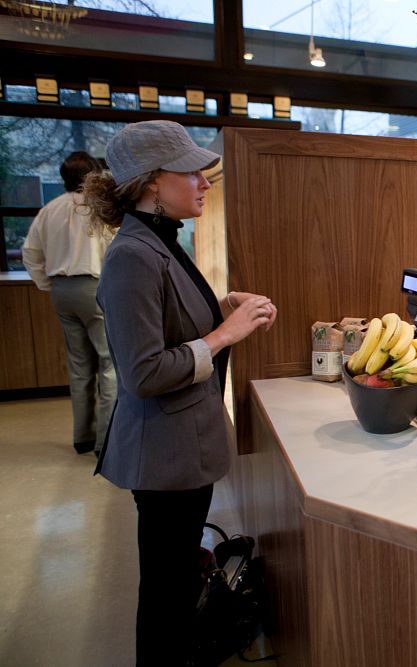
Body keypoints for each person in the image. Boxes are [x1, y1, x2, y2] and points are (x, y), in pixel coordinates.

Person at [83, 120, 277, 666]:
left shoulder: (160, 239)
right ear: (152, 181)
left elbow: (171, 325)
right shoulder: (132, 255)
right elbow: (144, 372)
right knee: (165, 593)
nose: (205, 182)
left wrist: (223, 307)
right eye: (192, 172)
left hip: (180, 449)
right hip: (164, 456)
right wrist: (224, 334)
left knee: (175, 579)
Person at [22, 151, 117, 455]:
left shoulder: (48, 210)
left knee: (79, 366)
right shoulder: (97, 208)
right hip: (94, 288)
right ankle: (106, 442)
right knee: (109, 364)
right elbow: (115, 250)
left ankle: (83, 437)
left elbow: (30, 253)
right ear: (93, 176)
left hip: (61, 292)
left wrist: (47, 283)